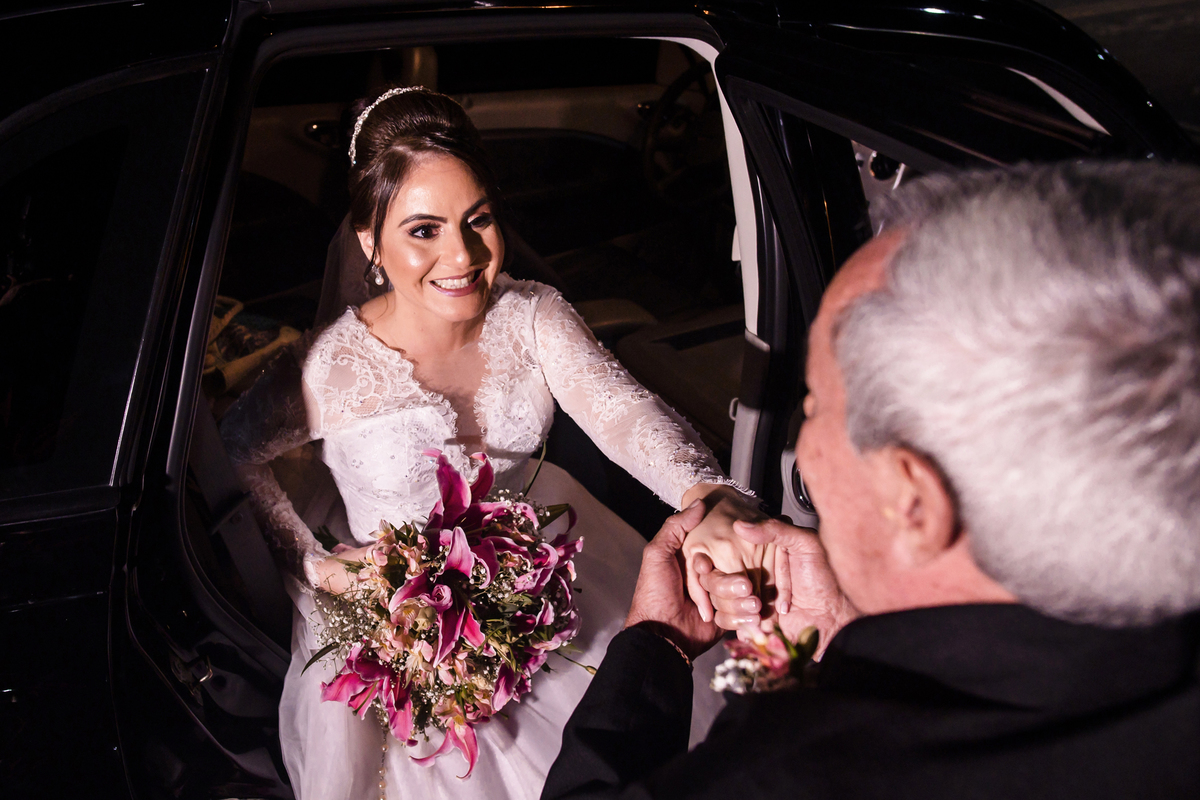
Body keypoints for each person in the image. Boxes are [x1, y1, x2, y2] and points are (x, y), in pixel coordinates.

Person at [542, 161, 1200, 799]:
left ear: (913, 503)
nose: (804, 446)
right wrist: (839, 635)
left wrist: (659, 644)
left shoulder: (792, 774)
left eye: (816, 407)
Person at [219, 86, 764, 800]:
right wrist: (318, 567)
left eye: (477, 219)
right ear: (369, 242)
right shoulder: (326, 368)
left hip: (552, 570)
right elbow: (237, 451)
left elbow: (624, 414)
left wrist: (705, 490)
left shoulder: (532, 314)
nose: (463, 254)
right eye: (424, 230)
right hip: (405, 620)